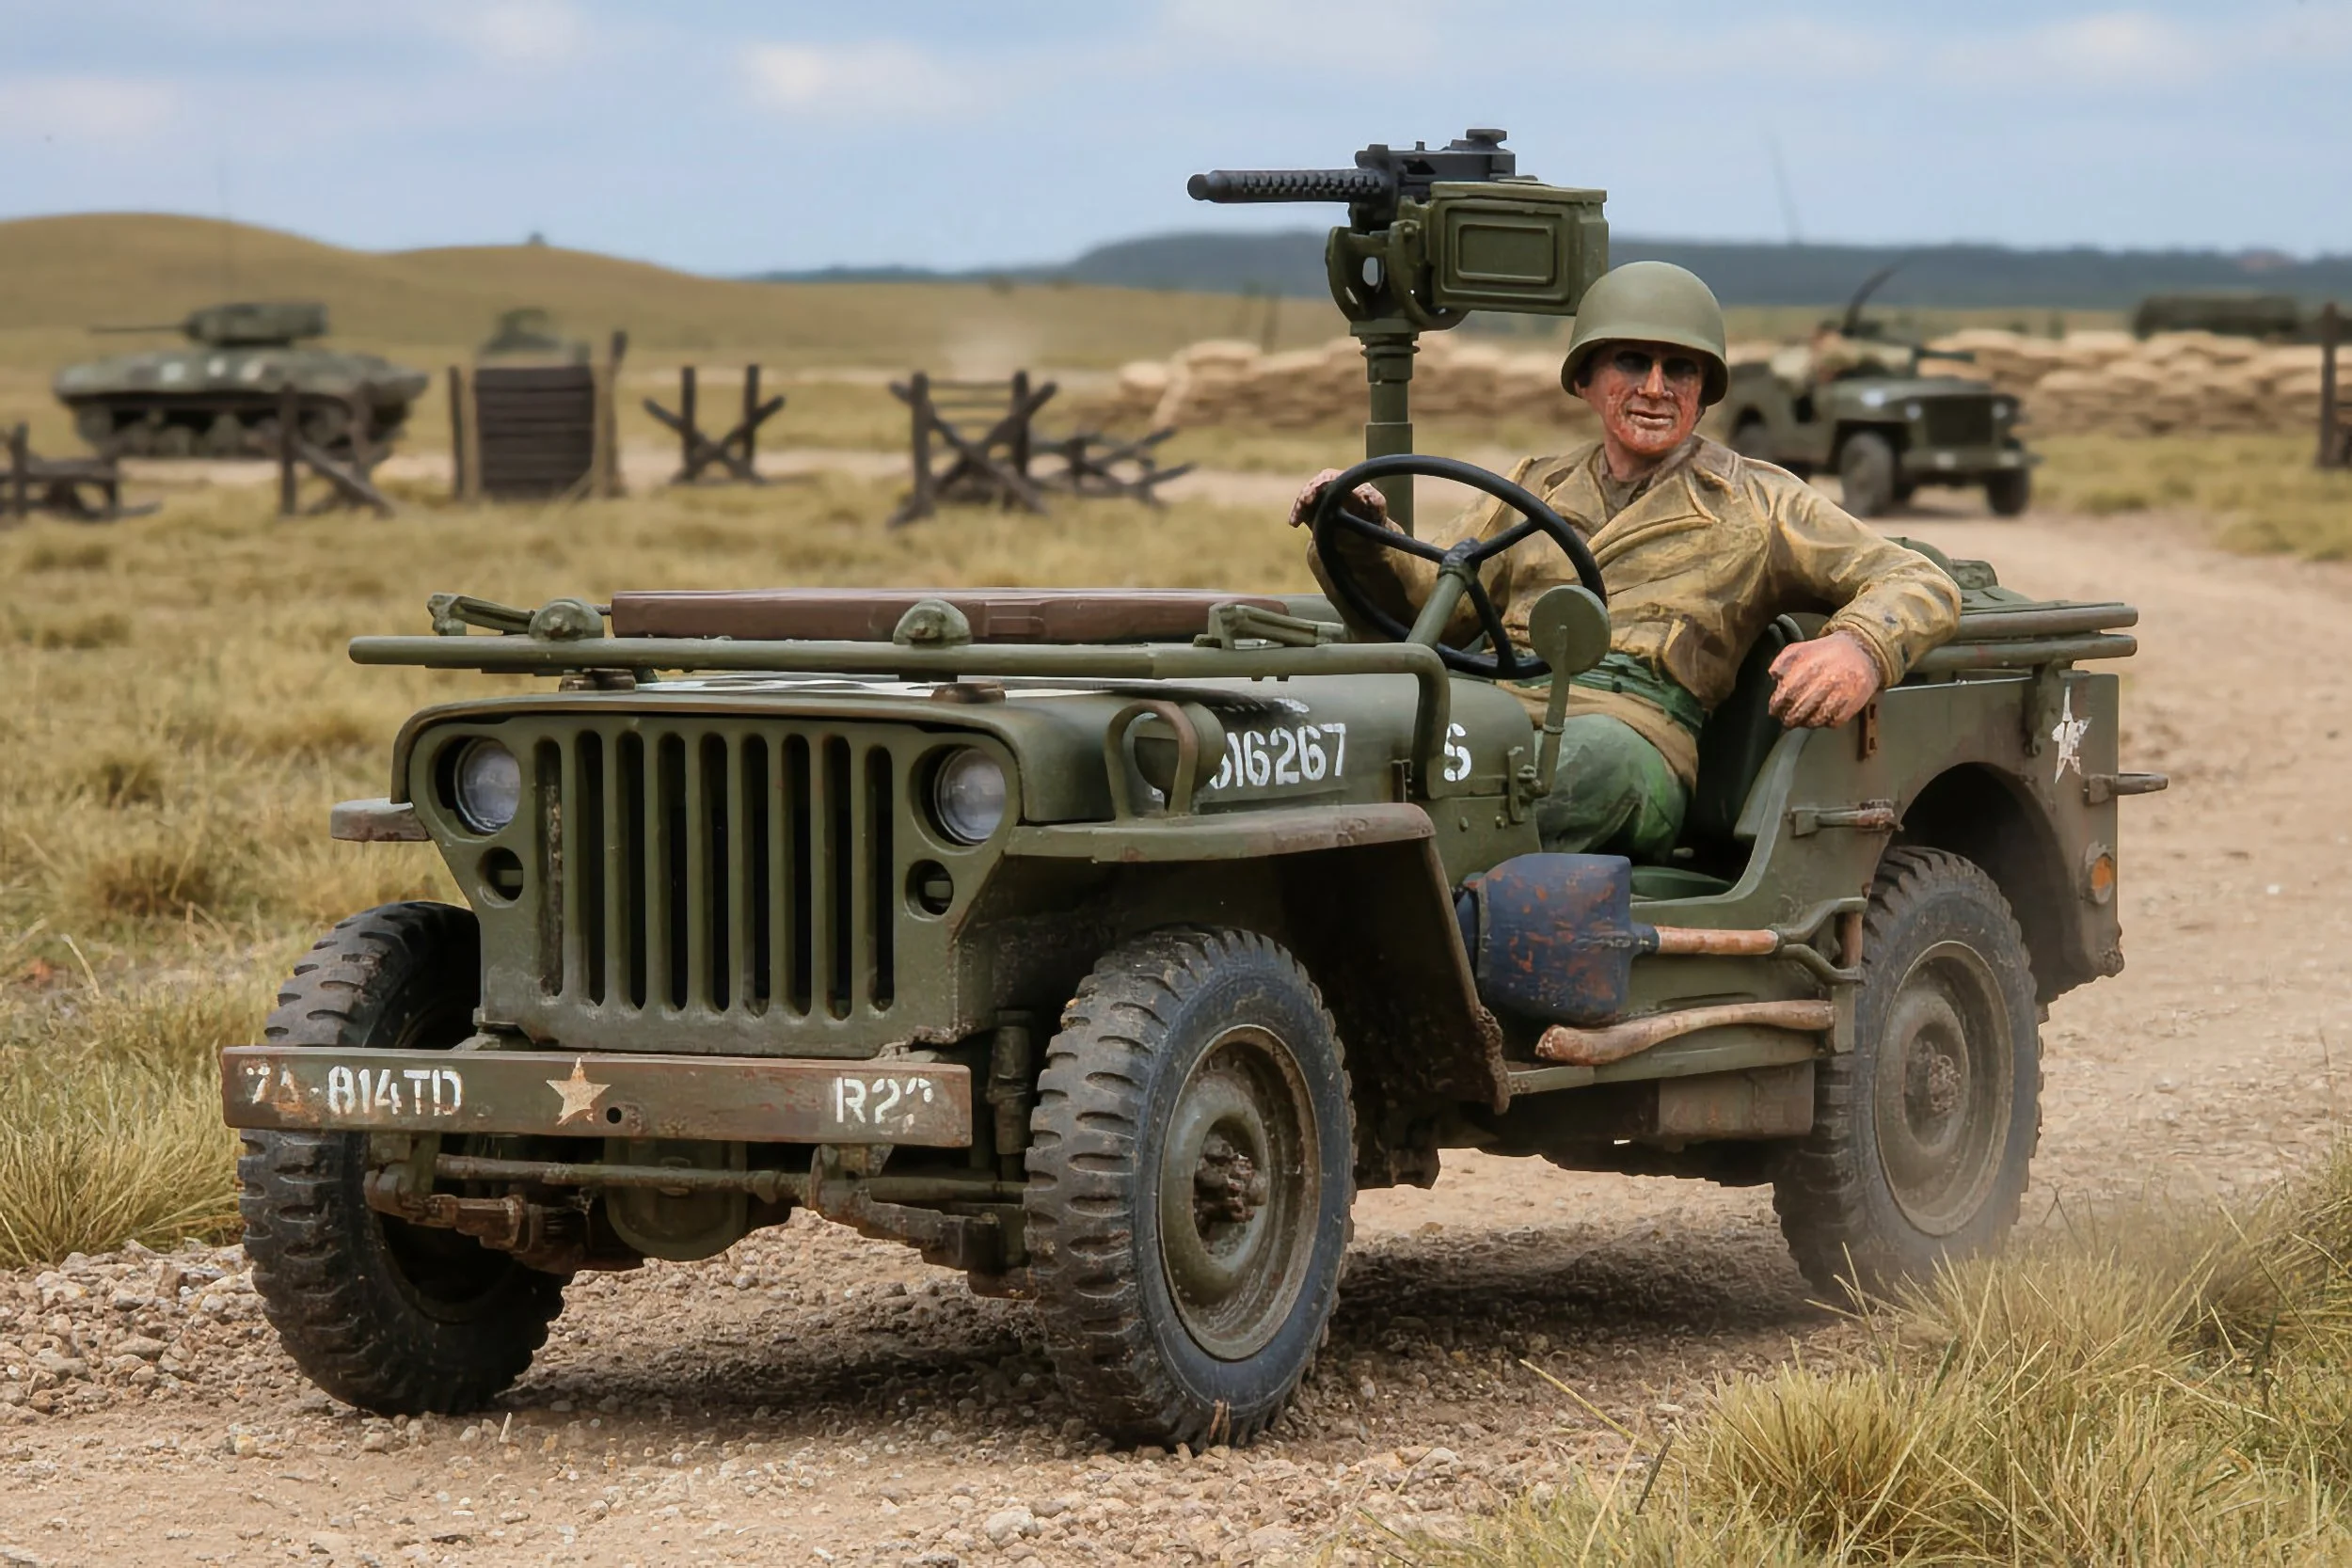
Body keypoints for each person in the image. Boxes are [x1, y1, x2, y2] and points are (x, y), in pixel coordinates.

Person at [1289, 261, 1961, 861]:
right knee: (1363, 744)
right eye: (1633, 362)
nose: (1656, 388)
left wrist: (1861, 647)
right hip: (1500, 706)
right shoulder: (1535, 486)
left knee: (1556, 777)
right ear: (1587, 377)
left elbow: (1916, 577)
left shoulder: (1759, 502)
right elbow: (1433, 606)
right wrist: (1356, 529)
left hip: (1637, 737)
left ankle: (1390, 896)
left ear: (1706, 389)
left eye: (1682, 369)